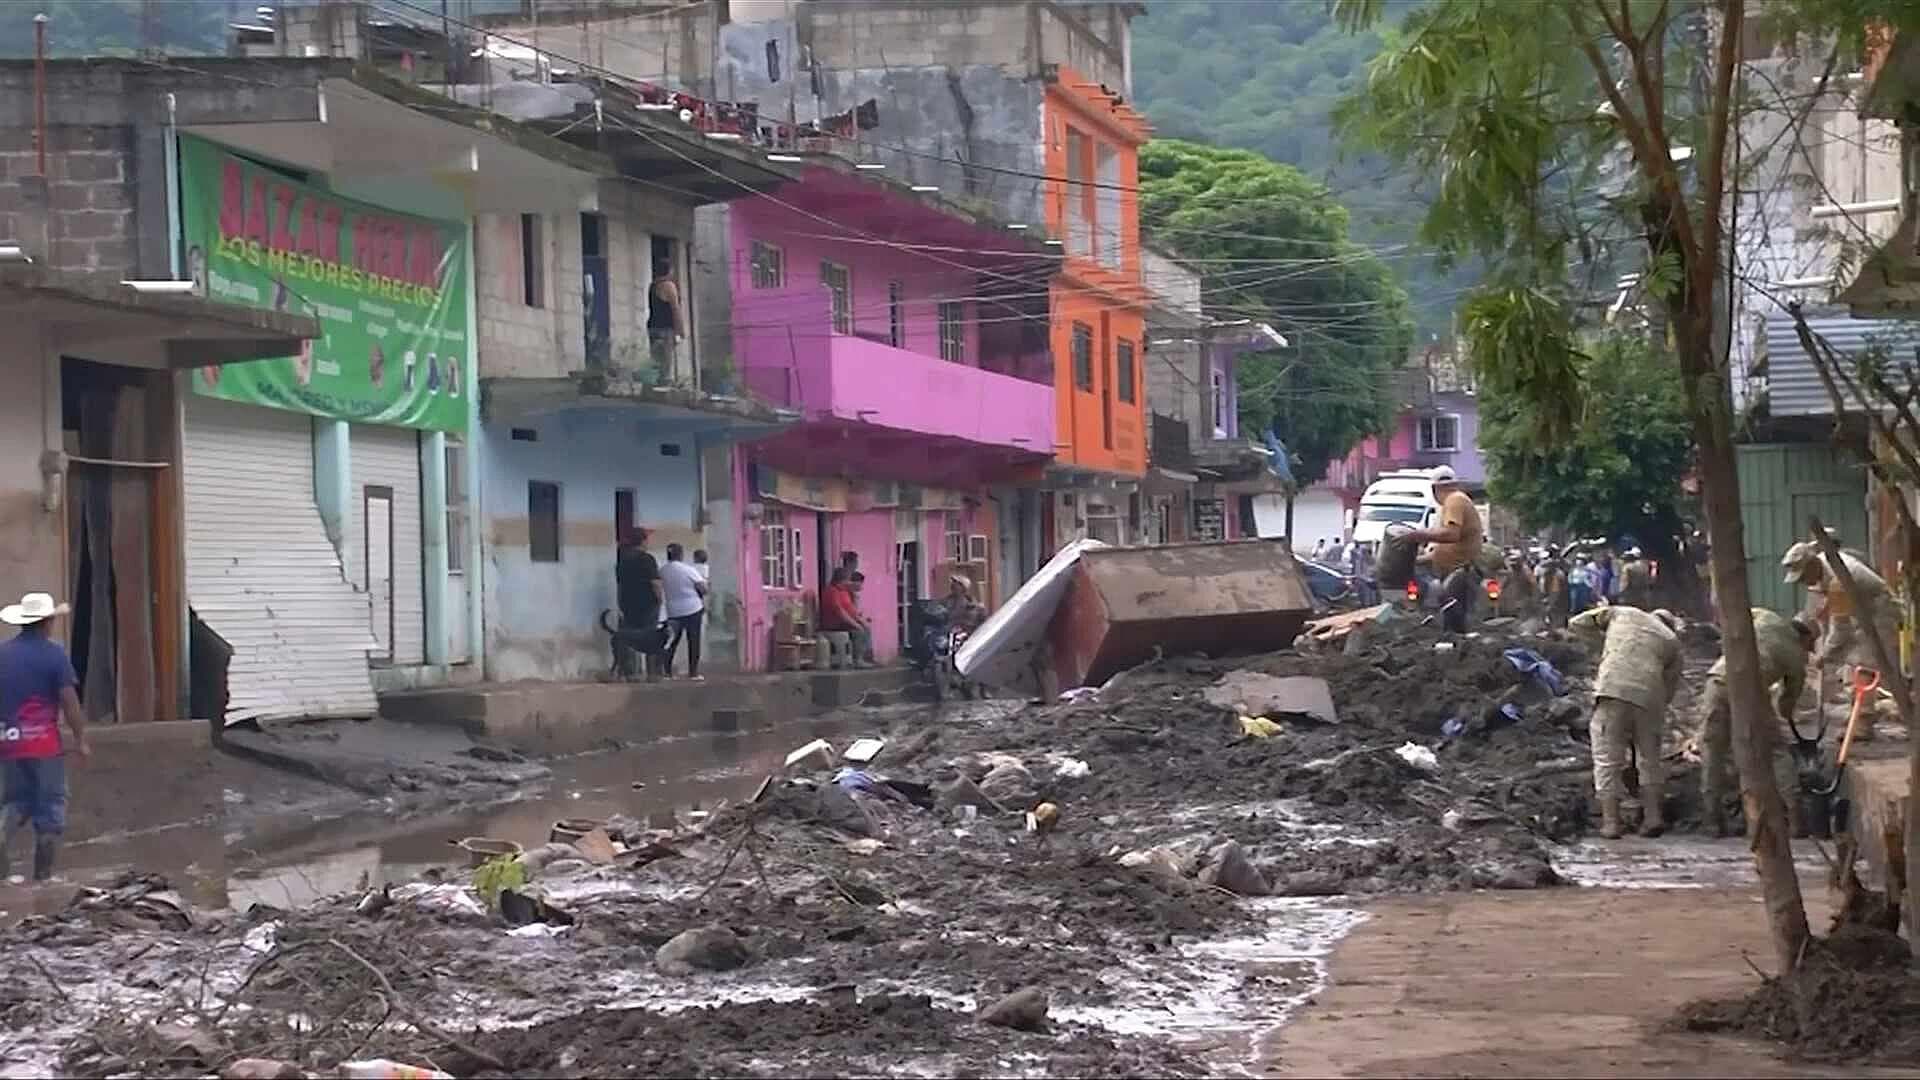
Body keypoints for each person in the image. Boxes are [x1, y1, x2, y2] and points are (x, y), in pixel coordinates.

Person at [1695, 609, 1816, 837]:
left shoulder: (1766, 616)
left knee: (1713, 751)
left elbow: (1732, 615)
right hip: (1751, 690)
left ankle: (1712, 820)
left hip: (1718, 681)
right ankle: (1796, 818)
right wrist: (1784, 715)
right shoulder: (1795, 656)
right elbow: (1788, 700)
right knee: (1776, 751)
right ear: (1806, 637)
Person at [1570, 605, 1683, 838]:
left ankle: (1612, 824)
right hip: (1650, 697)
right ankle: (1653, 818)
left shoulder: (1623, 613)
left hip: (1613, 688)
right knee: (1649, 760)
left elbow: (1577, 623)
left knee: (1607, 758)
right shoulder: (1672, 641)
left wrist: (1604, 646)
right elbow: (1669, 688)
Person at [0, 591, 89, 883]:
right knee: (50, 806)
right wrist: (81, 738)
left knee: (15, 801)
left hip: (8, 743)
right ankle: (43, 880)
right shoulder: (54, 654)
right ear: (47, 622)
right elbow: (69, 700)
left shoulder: (3, 653)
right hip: (44, 745)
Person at [1782, 536, 1901, 742]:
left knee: (1865, 663)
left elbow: (1841, 630)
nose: (1803, 583)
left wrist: (1824, 656)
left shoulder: (1838, 580)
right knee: (1854, 664)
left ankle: (1863, 723)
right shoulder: (1825, 565)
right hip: (1863, 608)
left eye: (1802, 577)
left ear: (1811, 565)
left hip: (1879, 611)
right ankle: (1858, 715)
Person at [1403, 466, 1484, 632]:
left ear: (1435, 489)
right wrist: (1418, 560)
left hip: (1461, 571)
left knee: (1453, 618)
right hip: (1457, 569)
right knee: (1451, 617)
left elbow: (1451, 534)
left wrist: (1419, 535)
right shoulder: (1458, 500)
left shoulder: (1454, 500)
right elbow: (1449, 545)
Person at [615, 528, 664, 681]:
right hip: (648, 603)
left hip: (628, 603)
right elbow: (655, 582)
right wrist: (660, 599)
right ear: (643, 541)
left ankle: (630, 672)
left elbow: (620, 584)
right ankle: (652, 673)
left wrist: (621, 603)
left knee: (630, 638)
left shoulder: (622, 560)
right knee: (651, 637)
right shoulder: (647, 559)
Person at [660, 543, 708, 680]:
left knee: (671, 641)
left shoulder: (662, 570)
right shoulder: (689, 570)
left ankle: (667, 671)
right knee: (693, 641)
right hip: (692, 609)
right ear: (681, 555)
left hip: (673, 611)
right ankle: (693, 672)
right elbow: (703, 589)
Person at [820, 567, 874, 668]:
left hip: (844, 622)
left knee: (866, 628)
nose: (849, 582)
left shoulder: (844, 592)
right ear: (841, 580)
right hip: (834, 624)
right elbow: (841, 613)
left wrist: (861, 621)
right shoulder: (832, 592)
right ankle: (857, 660)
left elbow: (852, 611)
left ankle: (863, 657)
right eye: (847, 580)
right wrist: (856, 625)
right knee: (858, 631)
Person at [648, 254, 687, 383]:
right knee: (665, 366)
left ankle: (655, 388)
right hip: (665, 329)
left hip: (653, 327)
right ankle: (664, 390)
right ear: (669, 270)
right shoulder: (669, 286)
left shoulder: (653, 286)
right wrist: (680, 329)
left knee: (656, 362)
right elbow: (675, 308)